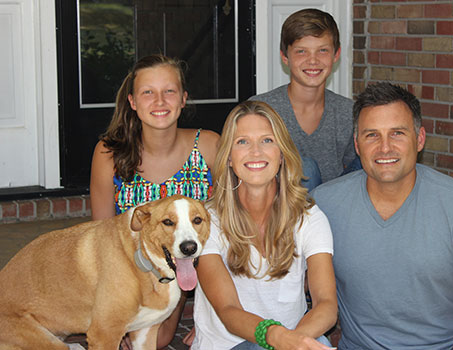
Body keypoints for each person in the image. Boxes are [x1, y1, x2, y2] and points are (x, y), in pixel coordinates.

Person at [311, 82, 453, 350]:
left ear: (419, 139)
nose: (385, 148)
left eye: (397, 133)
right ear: (357, 145)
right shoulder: (323, 205)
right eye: (372, 135)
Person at [89, 54, 219, 349]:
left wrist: (214, 319)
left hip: (195, 265)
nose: (159, 101)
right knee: (141, 341)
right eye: (148, 92)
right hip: (136, 270)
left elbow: (231, 228)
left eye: (169, 91)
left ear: (183, 99)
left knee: (156, 340)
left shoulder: (209, 145)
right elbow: (103, 238)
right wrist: (115, 313)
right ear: (133, 101)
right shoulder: (109, 154)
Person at [191, 100, 337, 350]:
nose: (255, 151)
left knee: (319, 341)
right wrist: (278, 338)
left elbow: (326, 304)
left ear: (281, 154)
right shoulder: (205, 220)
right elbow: (228, 311)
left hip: (286, 342)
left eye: (267, 140)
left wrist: (295, 341)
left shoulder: (309, 217)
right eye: (242, 142)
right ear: (228, 158)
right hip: (229, 345)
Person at [250, 8, 360, 191]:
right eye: (301, 52)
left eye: (322, 50)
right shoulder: (260, 110)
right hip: (283, 208)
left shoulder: (349, 112)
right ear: (285, 56)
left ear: (336, 55)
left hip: (333, 205)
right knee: (305, 167)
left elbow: (354, 174)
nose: (313, 60)